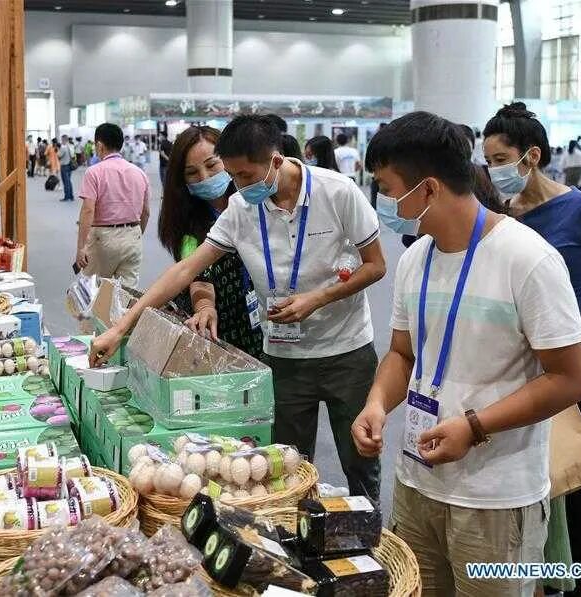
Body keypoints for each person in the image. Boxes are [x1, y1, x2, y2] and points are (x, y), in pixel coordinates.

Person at [352, 111, 581, 597]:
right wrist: (377, 403)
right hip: (417, 485)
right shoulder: (417, 257)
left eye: (388, 186)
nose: (383, 199)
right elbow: (402, 353)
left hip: (496, 501)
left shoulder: (529, 260)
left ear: (430, 189)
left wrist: (474, 426)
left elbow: (570, 378)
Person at [91, 115, 386, 501]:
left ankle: (374, 541)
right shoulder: (240, 208)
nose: (239, 185)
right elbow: (186, 271)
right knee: (284, 465)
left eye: (246, 175)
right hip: (283, 354)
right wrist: (120, 328)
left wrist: (317, 299)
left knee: (359, 459)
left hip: (346, 351)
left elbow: (376, 265)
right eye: (232, 174)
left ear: (276, 161)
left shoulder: (339, 192)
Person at [484, 104, 581, 595]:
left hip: (580, 341)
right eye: (489, 161)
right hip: (523, 344)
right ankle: (549, 573)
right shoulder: (502, 216)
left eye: (501, 159)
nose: (494, 170)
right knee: (539, 461)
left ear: (532, 156)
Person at [157, 126, 263, 358]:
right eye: (192, 172)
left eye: (212, 165)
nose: (205, 177)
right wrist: (205, 307)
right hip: (220, 324)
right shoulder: (188, 222)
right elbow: (195, 274)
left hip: (267, 316)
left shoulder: (255, 199)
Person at [75, 123, 150, 287]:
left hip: (104, 238)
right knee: (126, 296)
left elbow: (88, 210)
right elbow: (146, 213)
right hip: (133, 236)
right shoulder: (140, 173)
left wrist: (81, 248)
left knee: (92, 292)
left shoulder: (94, 172)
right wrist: (135, 234)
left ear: (100, 146)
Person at [58, 134, 75, 202]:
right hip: (70, 165)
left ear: (64, 140)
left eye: (62, 139)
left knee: (66, 182)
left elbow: (59, 155)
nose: (61, 141)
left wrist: (58, 150)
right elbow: (73, 155)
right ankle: (71, 196)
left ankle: (67, 197)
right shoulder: (71, 146)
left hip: (64, 165)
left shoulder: (63, 147)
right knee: (69, 181)